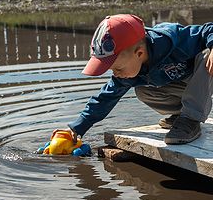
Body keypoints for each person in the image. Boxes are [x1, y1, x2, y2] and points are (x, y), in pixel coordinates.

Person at [52, 14, 213, 145]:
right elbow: (104, 99)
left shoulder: (172, 41)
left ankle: (190, 119)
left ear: (140, 53)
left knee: (206, 56)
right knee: (143, 90)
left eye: (118, 69)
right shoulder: (129, 72)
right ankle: (181, 116)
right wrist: (76, 129)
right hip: (188, 86)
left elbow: (208, 28)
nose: (116, 74)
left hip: (206, 79)